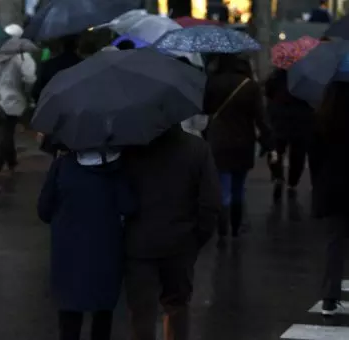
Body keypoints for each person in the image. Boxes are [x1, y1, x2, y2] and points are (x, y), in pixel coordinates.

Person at [122, 125, 221, 340]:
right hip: (181, 241)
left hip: (139, 243)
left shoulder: (130, 148)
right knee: (176, 306)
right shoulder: (197, 148)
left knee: (141, 310)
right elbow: (210, 201)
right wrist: (196, 238)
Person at [38, 149, 134, 340]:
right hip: (106, 253)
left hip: (68, 253)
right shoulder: (117, 169)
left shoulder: (62, 166)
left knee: (69, 316)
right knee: (103, 312)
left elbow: (44, 210)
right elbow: (129, 206)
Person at [203, 54, 275, 237]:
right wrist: (269, 142)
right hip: (243, 141)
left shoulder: (212, 83)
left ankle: (222, 227)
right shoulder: (249, 86)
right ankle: (236, 226)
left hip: (218, 140)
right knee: (239, 187)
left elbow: (205, 109)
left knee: (223, 185)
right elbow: (260, 118)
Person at [314, 76, 349, 315]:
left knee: (335, 243)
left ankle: (329, 297)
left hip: (334, 187)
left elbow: (315, 158)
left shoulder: (323, 119)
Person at [0, 24, 37, 174]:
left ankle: (11, 160)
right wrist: (28, 92)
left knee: (6, 129)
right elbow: (30, 78)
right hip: (14, 98)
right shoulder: (22, 57)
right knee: (7, 130)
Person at [264, 68, 315, 201]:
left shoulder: (275, 76)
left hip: (279, 119)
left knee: (276, 151)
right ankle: (292, 183)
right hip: (301, 120)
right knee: (298, 154)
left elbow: (267, 93)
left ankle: (277, 175)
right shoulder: (306, 77)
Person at [32, 35, 82, 157]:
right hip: (75, 107)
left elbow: (38, 88)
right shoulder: (82, 64)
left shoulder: (50, 64)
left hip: (54, 106)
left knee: (54, 141)